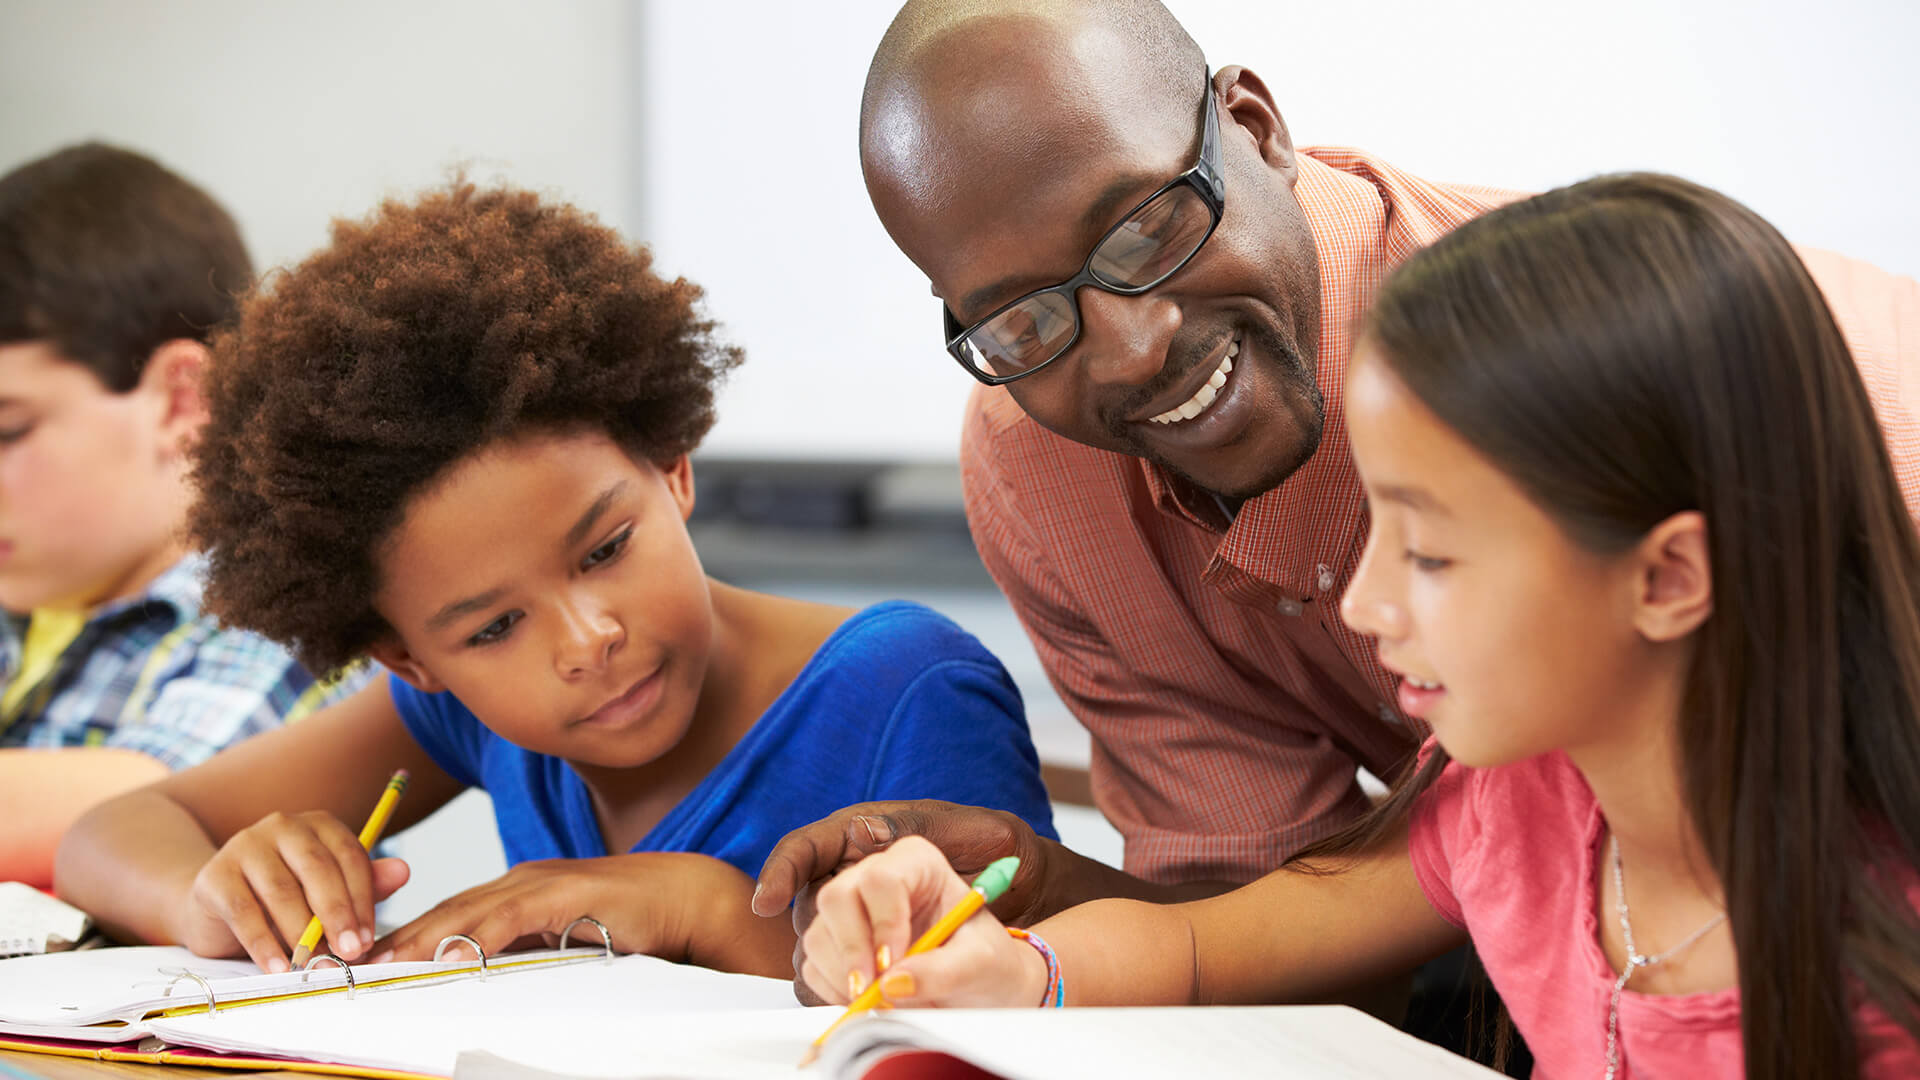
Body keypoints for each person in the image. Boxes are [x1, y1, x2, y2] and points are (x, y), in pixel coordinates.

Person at [753, 0, 1920, 940]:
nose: (1134, 345)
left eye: (1150, 228)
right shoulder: (1040, 471)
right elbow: (1269, 930)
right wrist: (1048, 899)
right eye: (1018, 320)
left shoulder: (1700, 388)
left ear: (1256, 128)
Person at [797, 173, 1920, 1079]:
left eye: (1429, 553)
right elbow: (1203, 945)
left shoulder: (1883, 955)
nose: (1367, 605)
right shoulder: (1521, 808)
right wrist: (1016, 972)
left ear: (1669, 576)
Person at [53, 180, 1057, 978]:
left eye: (605, 549)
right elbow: (112, 832)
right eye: (491, 629)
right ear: (410, 656)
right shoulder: (458, 714)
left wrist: (697, 909)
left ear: (672, 466)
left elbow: (1006, 993)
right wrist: (211, 893)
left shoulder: (904, 689)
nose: (586, 642)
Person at [0, 143, 365, 889]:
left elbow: (158, 810)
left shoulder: (289, 604)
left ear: (180, 400)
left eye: (8, 431)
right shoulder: (31, 593)